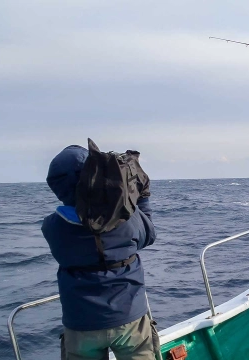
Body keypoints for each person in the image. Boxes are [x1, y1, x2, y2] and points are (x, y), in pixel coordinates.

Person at [42, 145, 161, 359]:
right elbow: (149, 235)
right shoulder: (126, 216)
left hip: (80, 322)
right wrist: (142, 197)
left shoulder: (52, 226)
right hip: (129, 317)